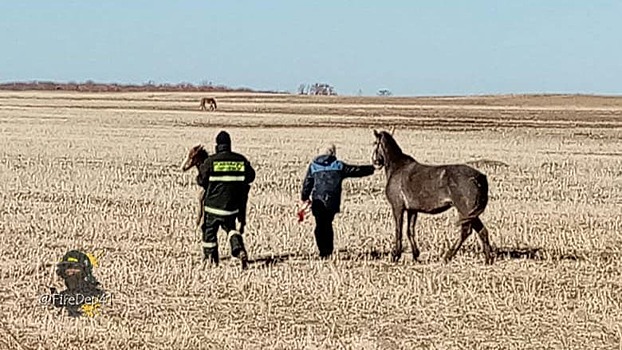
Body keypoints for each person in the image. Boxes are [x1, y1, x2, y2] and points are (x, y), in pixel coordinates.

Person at [300, 144, 375, 259]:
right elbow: (356, 170)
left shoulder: (313, 166)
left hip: (318, 200)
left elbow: (307, 184)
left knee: (320, 225)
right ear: (333, 153)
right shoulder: (338, 166)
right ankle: (328, 251)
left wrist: (304, 198)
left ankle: (323, 251)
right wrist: (372, 168)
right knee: (327, 225)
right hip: (332, 202)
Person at [196, 130, 256, 269]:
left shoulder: (211, 161)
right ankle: (238, 249)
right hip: (231, 207)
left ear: (217, 145)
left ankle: (211, 259)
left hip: (213, 207)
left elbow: (201, 180)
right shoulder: (240, 160)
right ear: (229, 144)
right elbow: (251, 176)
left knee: (209, 232)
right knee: (231, 229)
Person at [49, 250, 106, 317]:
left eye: (75, 268)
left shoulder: (96, 295)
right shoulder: (61, 297)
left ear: (85, 272)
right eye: (68, 268)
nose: (70, 272)